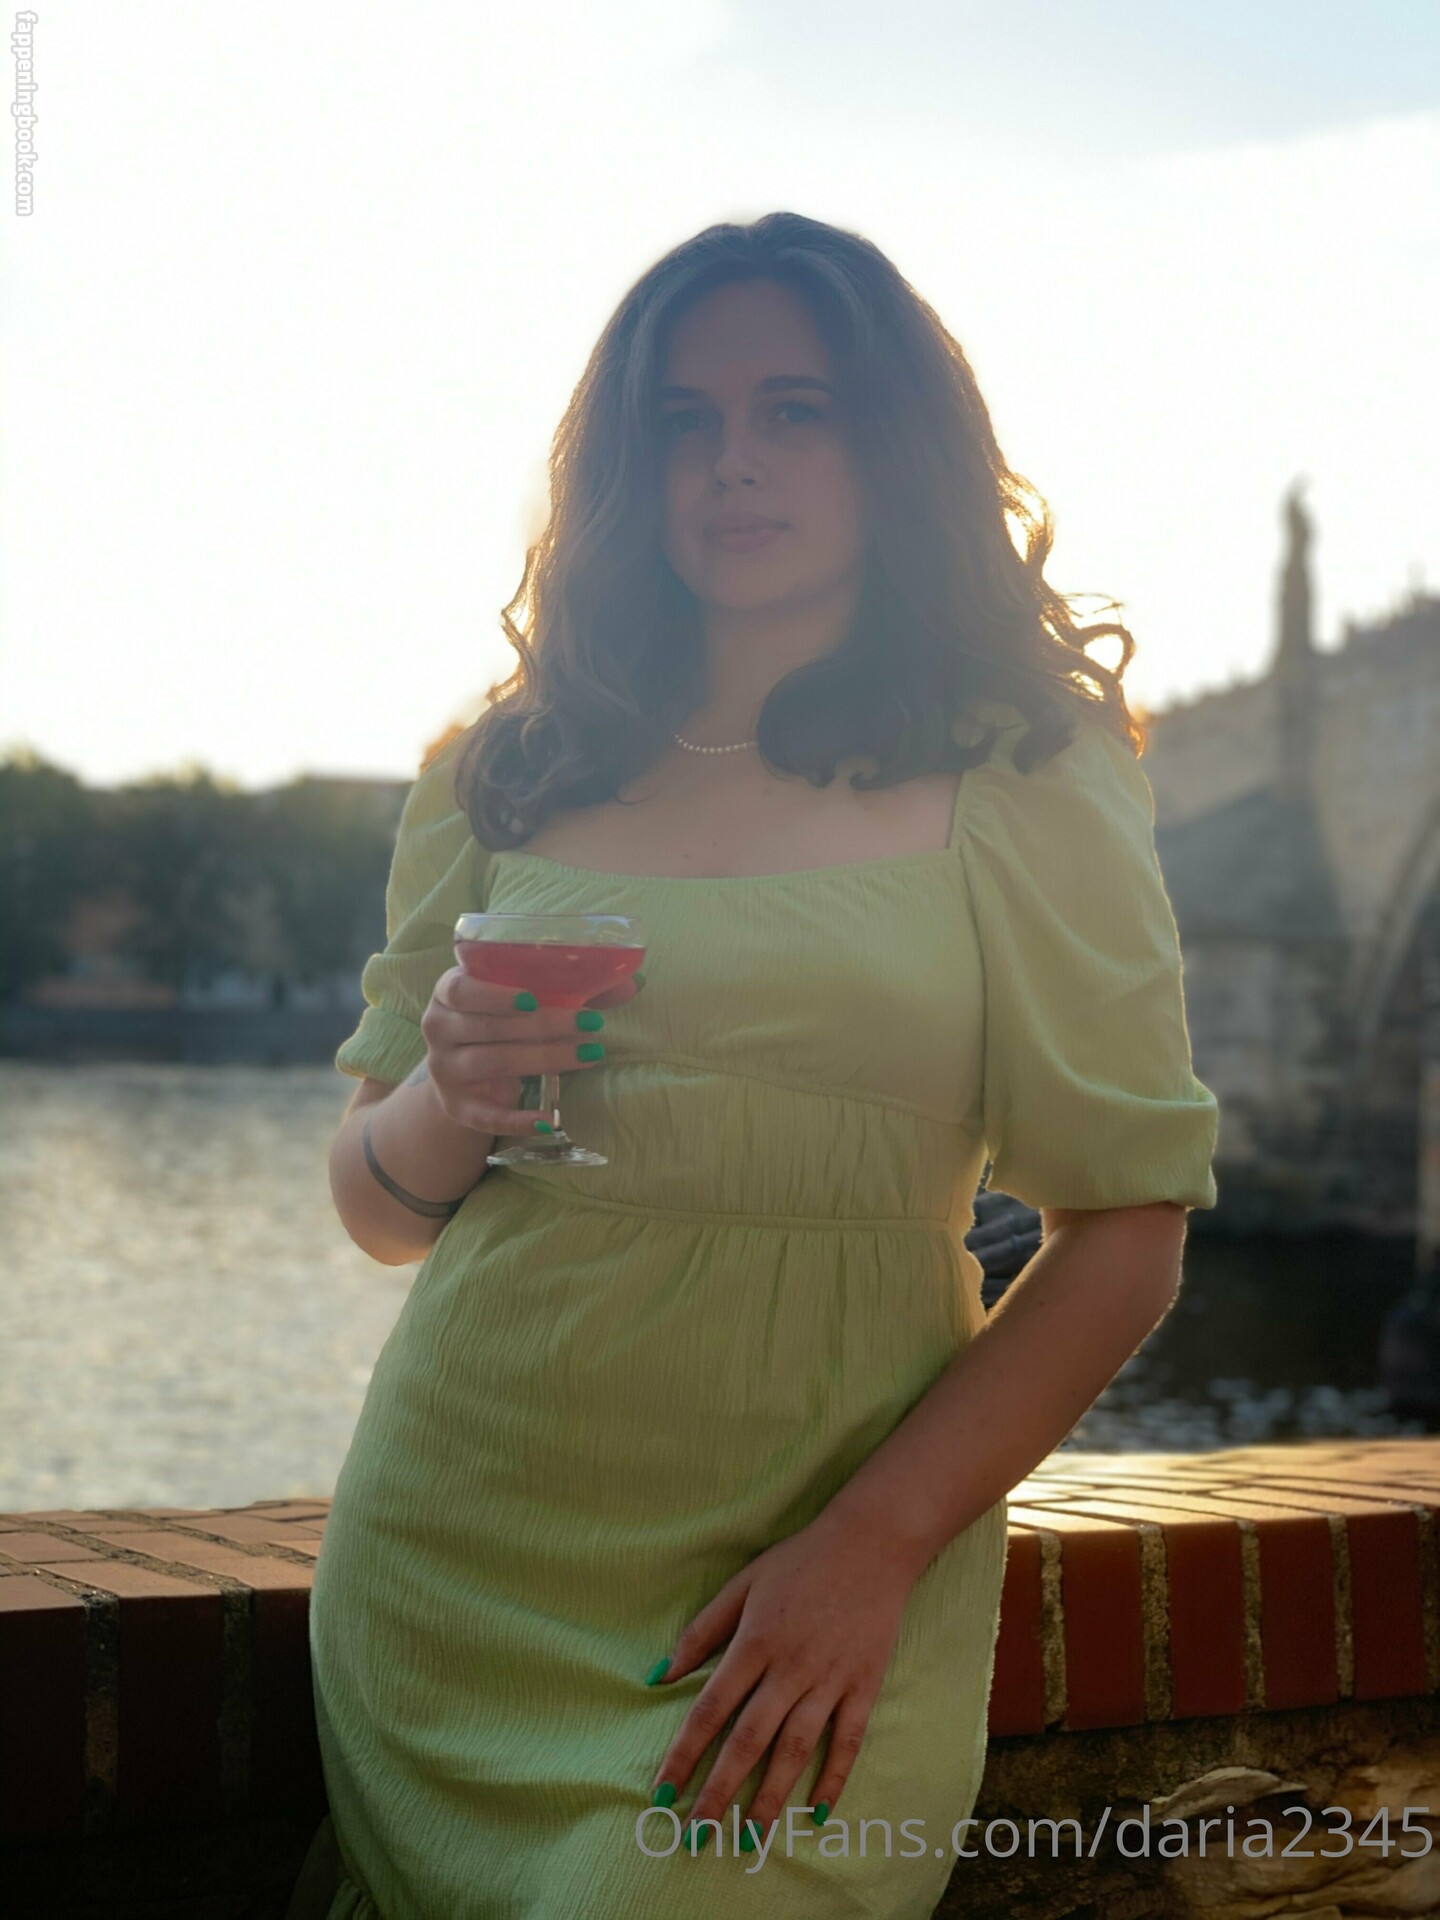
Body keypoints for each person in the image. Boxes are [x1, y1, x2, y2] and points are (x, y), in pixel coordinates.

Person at [287, 212, 1219, 1920]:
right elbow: (379, 1210)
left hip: (814, 1563)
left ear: (896, 443)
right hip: (457, 1549)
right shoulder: (504, 768)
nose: (733, 461)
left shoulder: (1024, 768)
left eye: (797, 410)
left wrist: (872, 1549)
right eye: (683, 420)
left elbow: (1127, 1231)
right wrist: (446, 1098)